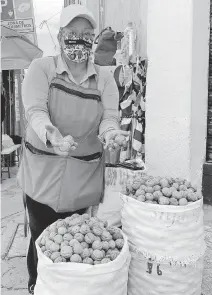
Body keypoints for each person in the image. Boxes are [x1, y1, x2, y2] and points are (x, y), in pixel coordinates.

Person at [17, 4, 128, 294]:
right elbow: (35, 110)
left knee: (75, 239)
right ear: (60, 36)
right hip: (42, 174)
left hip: (83, 177)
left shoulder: (105, 79)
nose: (79, 39)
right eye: (72, 33)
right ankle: (37, 285)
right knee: (42, 238)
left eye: (85, 34)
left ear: (92, 38)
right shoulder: (42, 68)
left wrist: (112, 134)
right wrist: (51, 134)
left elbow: (109, 118)